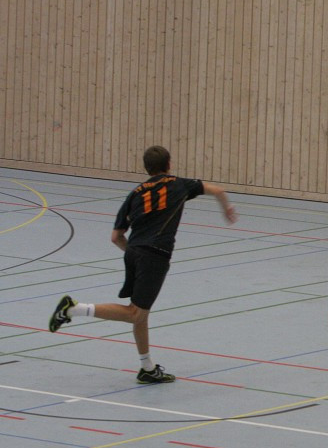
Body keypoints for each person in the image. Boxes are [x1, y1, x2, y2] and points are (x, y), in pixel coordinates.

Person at [48, 145, 237, 383]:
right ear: (169, 164)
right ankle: (73, 308)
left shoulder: (135, 193)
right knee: (135, 313)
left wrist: (135, 252)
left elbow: (116, 237)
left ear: (147, 168)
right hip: (155, 254)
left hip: (134, 252)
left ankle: (147, 368)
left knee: (141, 313)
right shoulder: (179, 185)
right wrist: (227, 209)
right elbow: (217, 190)